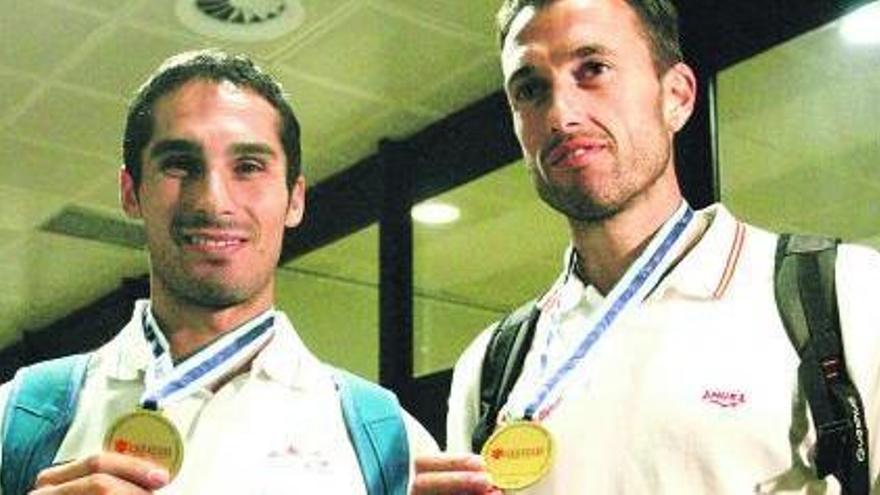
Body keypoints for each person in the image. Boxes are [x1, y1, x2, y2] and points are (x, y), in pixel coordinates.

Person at [412, 0, 880, 493]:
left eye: (593, 69)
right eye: (530, 89)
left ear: (676, 96)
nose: (560, 114)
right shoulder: (490, 367)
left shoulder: (843, 294)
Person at [0, 49, 436, 494]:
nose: (213, 200)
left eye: (248, 167)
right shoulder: (16, 420)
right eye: (179, 164)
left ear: (295, 199)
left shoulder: (392, 445)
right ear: (131, 192)